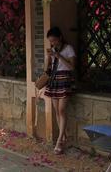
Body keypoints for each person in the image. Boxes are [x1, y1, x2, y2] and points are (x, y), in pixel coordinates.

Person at [44, 27, 76, 155]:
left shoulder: (68, 49)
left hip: (65, 79)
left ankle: (59, 141)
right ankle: (63, 136)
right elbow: (47, 69)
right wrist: (48, 58)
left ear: (60, 38)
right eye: (51, 41)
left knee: (62, 109)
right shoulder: (52, 49)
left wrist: (59, 56)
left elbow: (72, 67)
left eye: (54, 40)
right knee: (57, 110)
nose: (53, 43)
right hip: (54, 80)